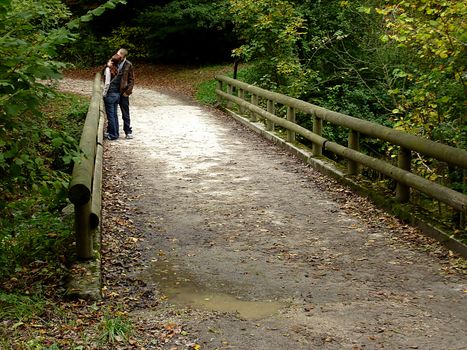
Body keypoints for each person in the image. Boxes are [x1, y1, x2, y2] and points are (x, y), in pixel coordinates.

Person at [115, 48, 134, 139]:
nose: (117, 55)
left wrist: (128, 92)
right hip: (114, 91)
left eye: (119, 54)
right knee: (112, 112)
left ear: (123, 55)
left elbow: (131, 79)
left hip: (123, 92)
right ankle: (110, 130)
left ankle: (128, 131)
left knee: (125, 112)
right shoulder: (114, 62)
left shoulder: (128, 65)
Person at [103, 54, 122, 140]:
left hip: (110, 95)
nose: (108, 61)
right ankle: (115, 133)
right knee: (114, 115)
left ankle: (113, 134)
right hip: (117, 94)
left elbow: (107, 83)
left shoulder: (108, 69)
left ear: (112, 62)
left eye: (110, 60)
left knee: (110, 115)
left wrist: (104, 93)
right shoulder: (118, 70)